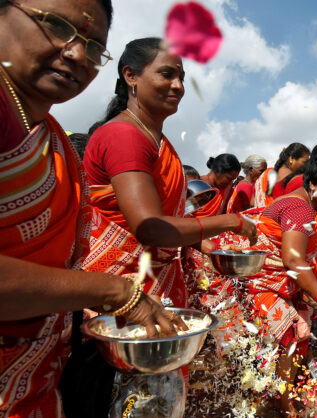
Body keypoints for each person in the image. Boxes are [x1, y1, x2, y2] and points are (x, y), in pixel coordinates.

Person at [0, 2, 184, 418]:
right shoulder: (121, 136)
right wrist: (113, 291)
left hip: (36, 368)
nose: (77, 53)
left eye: (93, 45)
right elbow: (150, 227)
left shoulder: (50, 138)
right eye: (55, 25)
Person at [82, 37, 256, 308]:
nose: (178, 86)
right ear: (131, 76)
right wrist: (231, 221)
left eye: (182, 78)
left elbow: (171, 221)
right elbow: (150, 227)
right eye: (167, 74)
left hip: (152, 281)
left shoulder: (158, 142)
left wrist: (210, 249)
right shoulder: (124, 136)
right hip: (120, 288)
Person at [242, 154, 317, 417]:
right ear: (314, 184)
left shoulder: (311, 205)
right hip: (262, 281)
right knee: (295, 334)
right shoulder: (300, 207)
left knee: (299, 333)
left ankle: (276, 392)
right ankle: (282, 406)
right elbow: (293, 258)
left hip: (283, 282)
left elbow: (310, 236)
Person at [254, 142, 309, 207]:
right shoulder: (297, 179)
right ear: (291, 159)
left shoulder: (268, 174)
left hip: (267, 214)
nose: (306, 165)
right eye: (304, 162)